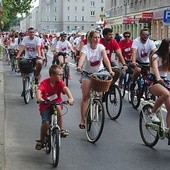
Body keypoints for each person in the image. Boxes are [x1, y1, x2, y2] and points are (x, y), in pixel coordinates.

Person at [77, 30, 115, 129]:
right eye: (95, 37)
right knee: (85, 97)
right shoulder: (86, 48)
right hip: (87, 73)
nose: (97, 39)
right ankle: (82, 120)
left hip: (99, 72)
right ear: (90, 39)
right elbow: (82, 57)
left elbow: (106, 59)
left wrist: (110, 70)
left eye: (98, 37)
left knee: (99, 94)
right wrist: (79, 66)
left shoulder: (101, 47)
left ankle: (97, 105)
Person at [35, 64, 74, 150]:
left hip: (56, 103)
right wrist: (39, 98)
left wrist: (70, 98)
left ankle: (60, 129)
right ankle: (41, 140)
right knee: (45, 122)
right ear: (52, 76)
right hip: (45, 105)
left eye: (62, 74)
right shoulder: (45, 83)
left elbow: (65, 89)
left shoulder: (60, 83)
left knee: (58, 108)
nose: (61, 76)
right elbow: (39, 90)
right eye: (59, 75)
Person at [149, 38, 170, 126]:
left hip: (166, 81)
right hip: (155, 81)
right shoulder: (156, 56)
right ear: (165, 47)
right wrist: (158, 78)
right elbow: (155, 68)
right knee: (166, 94)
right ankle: (152, 113)